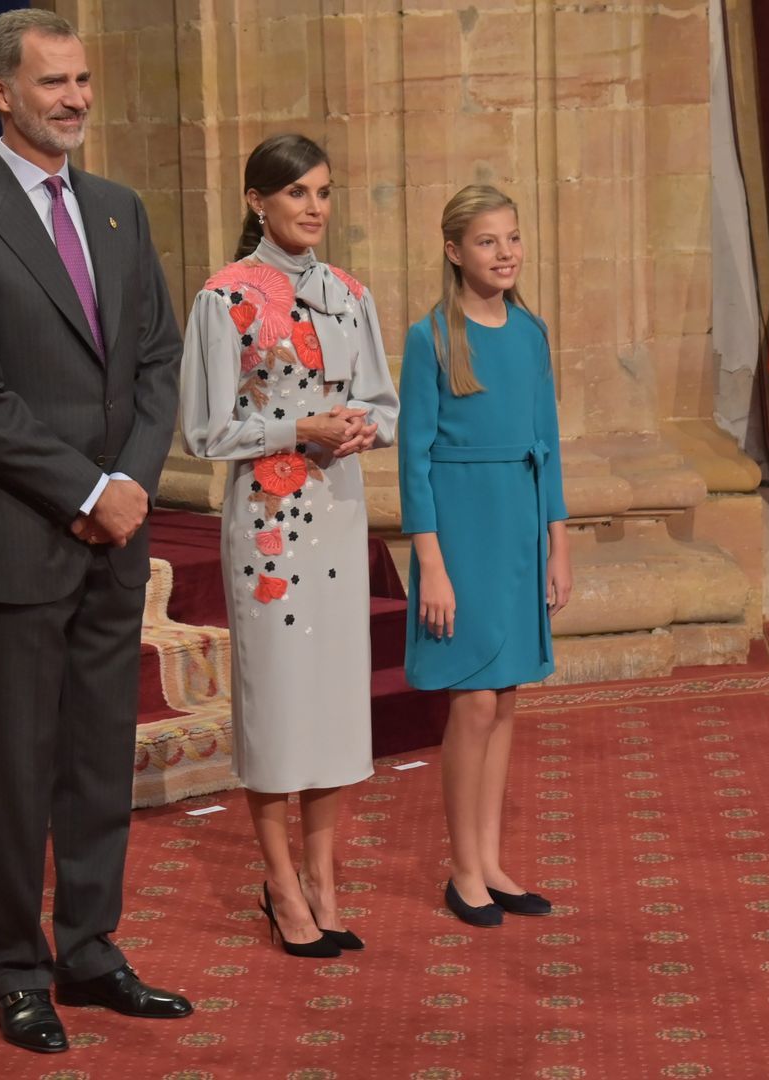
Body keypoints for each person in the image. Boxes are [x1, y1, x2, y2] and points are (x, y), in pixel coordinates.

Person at [0, 9, 189, 1055]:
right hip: (26, 537)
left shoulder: (119, 210)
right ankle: (17, 968)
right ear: (0, 93)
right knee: (22, 771)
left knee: (98, 758)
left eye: (81, 80)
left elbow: (157, 359)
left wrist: (132, 485)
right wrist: (86, 490)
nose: (74, 98)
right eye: (52, 83)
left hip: (116, 537)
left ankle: (90, 947)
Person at [177, 133, 400, 959]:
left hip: (339, 507)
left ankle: (325, 879)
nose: (313, 207)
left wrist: (362, 428)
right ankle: (278, 883)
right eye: (298, 192)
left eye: (324, 192)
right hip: (269, 528)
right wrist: (292, 426)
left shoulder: (350, 293)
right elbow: (204, 428)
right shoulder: (223, 298)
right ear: (257, 201)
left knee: (337, 706)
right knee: (277, 704)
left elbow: (385, 399)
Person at [398, 184, 573, 929]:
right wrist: (430, 564)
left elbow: (551, 446)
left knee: (505, 699)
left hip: (520, 526)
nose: (505, 253)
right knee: (470, 701)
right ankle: (462, 869)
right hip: (461, 533)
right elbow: (413, 459)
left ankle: (493, 862)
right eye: (487, 242)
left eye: (512, 238)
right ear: (453, 251)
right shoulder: (431, 337)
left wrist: (557, 546)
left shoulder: (530, 332)